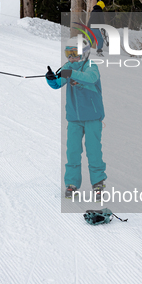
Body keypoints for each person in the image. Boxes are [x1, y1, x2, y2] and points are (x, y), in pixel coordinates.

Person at [46, 37, 107, 201]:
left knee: (93, 151)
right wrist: (51, 79)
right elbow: (58, 83)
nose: (71, 58)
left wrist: (70, 73)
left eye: (74, 54)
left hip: (92, 117)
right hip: (74, 118)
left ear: (85, 54)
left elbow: (90, 78)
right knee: (73, 151)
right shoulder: (68, 67)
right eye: (68, 54)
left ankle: (98, 183)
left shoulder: (90, 66)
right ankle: (72, 184)